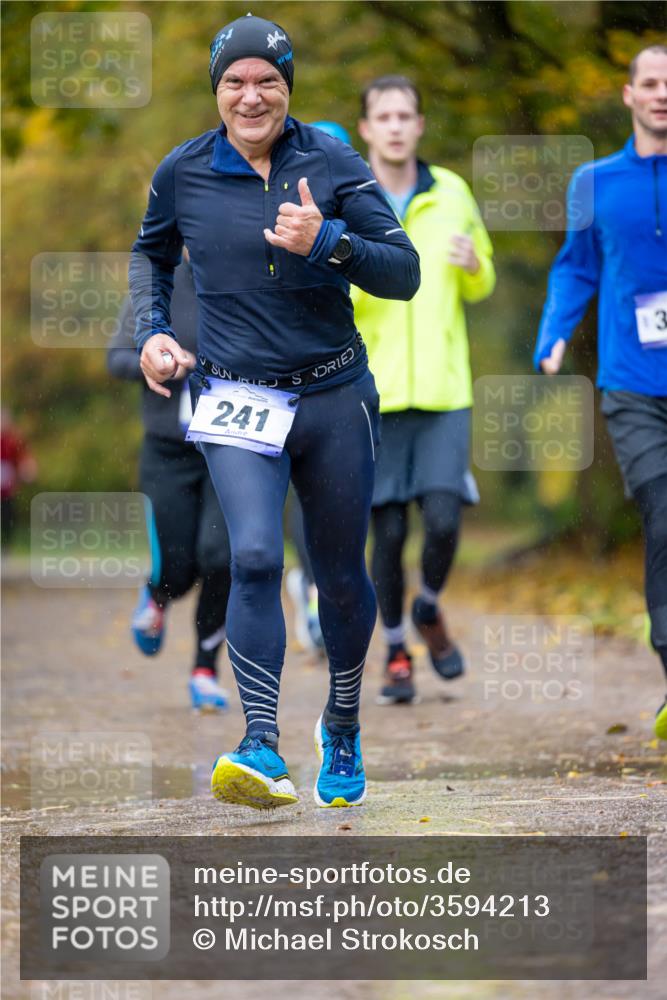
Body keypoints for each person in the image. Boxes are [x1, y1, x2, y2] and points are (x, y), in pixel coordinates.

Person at [129, 15, 420, 809]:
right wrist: (152, 332)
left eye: (267, 81)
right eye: (234, 82)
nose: (250, 96)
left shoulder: (331, 160)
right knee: (253, 556)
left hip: (333, 394)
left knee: (338, 574)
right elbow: (149, 255)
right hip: (235, 395)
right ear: (216, 91)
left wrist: (329, 241)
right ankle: (261, 742)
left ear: (288, 88)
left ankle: (344, 724)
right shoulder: (181, 172)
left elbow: (403, 273)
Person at [534, 44, 667, 740]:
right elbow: (573, 269)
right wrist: (554, 333)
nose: (661, 94)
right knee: (663, 513)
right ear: (628, 95)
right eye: (650, 83)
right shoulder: (592, 182)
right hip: (632, 382)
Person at [352, 76, 495, 704]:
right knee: (385, 535)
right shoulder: (349, 195)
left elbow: (481, 281)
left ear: (419, 125)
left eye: (405, 115)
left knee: (441, 519)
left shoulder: (453, 192)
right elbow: (329, 289)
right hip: (374, 391)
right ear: (366, 128)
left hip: (443, 388)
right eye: (383, 116)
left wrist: (474, 267)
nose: (394, 126)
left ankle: (429, 607)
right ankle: (394, 651)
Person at [108, 256, 231, 711]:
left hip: (227, 444)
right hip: (168, 449)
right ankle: (159, 592)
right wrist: (162, 365)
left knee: (221, 557)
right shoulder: (158, 286)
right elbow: (116, 357)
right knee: (178, 567)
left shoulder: (241, 275)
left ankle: (204, 668)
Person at [0, 409, 37, 549]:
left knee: (7, 516)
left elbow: (23, 458)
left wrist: (28, 468)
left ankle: (6, 546)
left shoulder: (12, 441)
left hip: (7, 489)